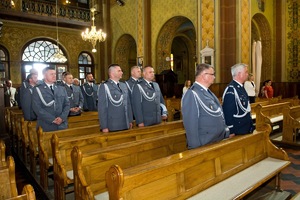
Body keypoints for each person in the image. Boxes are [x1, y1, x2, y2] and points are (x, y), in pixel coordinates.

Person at [182, 63, 230, 149]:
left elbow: (219, 113)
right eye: (212, 74)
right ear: (204, 75)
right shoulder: (192, 94)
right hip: (205, 143)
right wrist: (195, 147)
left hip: (215, 140)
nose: (214, 77)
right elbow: (190, 124)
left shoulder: (207, 92)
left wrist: (225, 132)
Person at [32, 67, 70, 132]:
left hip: (62, 125)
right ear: (44, 75)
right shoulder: (38, 89)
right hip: (46, 125)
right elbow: (37, 108)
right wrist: (52, 119)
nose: (54, 76)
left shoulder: (61, 88)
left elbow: (67, 104)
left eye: (55, 74)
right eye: (51, 74)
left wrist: (62, 118)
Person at [98, 64, 133, 132]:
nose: (122, 72)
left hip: (125, 123)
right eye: (119, 71)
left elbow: (128, 104)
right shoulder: (105, 86)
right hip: (113, 125)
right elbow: (102, 108)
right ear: (112, 73)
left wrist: (130, 120)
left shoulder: (123, 85)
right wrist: (104, 126)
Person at [222, 63, 254, 135]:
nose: (247, 74)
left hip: (244, 127)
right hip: (238, 129)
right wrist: (230, 130)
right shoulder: (231, 89)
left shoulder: (240, 87)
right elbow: (228, 112)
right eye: (246, 72)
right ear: (239, 74)